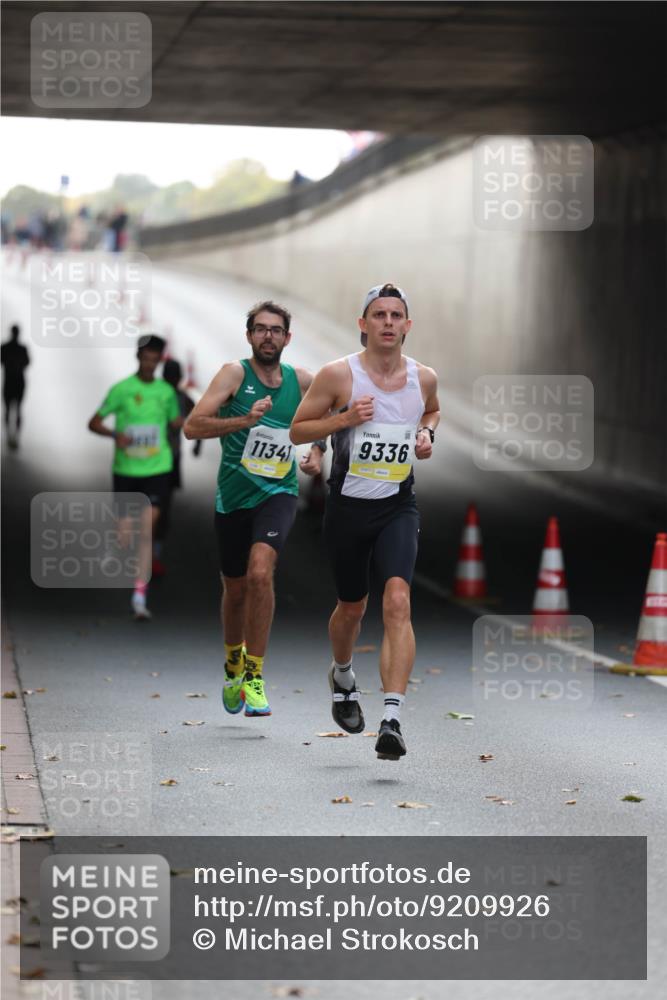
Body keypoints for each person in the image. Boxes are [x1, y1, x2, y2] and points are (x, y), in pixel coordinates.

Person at [290, 283, 440, 761]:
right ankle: (342, 672)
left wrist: (425, 433)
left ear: (408, 326)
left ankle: (391, 719)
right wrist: (345, 419)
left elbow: (433, 412)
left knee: (397, 599)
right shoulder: (339, 375)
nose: (389, 323)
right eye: (379, 314)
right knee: (352, 607)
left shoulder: (424, 378)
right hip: (348, 507)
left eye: (397, 315)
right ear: (363, 323)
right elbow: (298, 428)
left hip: (398, 504)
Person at [184, 301, 325, 719]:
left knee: (262, 572)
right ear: (249, 336)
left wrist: (317, 450)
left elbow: (330, 415)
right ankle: (233, 662)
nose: (268, 336)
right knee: (236, 587)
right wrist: (244, 420)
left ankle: (255, 675)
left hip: (278, 493)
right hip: (232, 497)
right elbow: (193, 426)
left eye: (276, 330)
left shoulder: (301, 381)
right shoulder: (233, 374)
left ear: (287, 338)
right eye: (260, 329)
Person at [88, 335, 182, 620]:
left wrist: (205, 415)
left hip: (157, 469)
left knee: (146, 532)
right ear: (138, 357)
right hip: (126, 470)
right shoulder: (122, 389)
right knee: (125, 536)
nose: (150, 364)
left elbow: (176, 423)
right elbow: (93, 422)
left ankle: (139, 596)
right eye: (146, 358)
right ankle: (115, 542)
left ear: (159, 361)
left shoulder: (166, 393)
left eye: (155, 359)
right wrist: (116, 435)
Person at [152, 358, 198, 576]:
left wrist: (198, 441)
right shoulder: (159, 395)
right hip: (152, 459)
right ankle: (151, 553)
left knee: (162, 508)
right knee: (156, 508)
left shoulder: (181, 398)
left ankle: (154, 555)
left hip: (169, 460)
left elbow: (199, 417)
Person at [1, 324, 30, 449]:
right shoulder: (20, 348)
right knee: (15, 410)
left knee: (12, 410)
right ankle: (12, 437)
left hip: (12, 381)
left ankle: (11, 437)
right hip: (17, 381)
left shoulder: (6, 347)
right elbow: (26, 363)